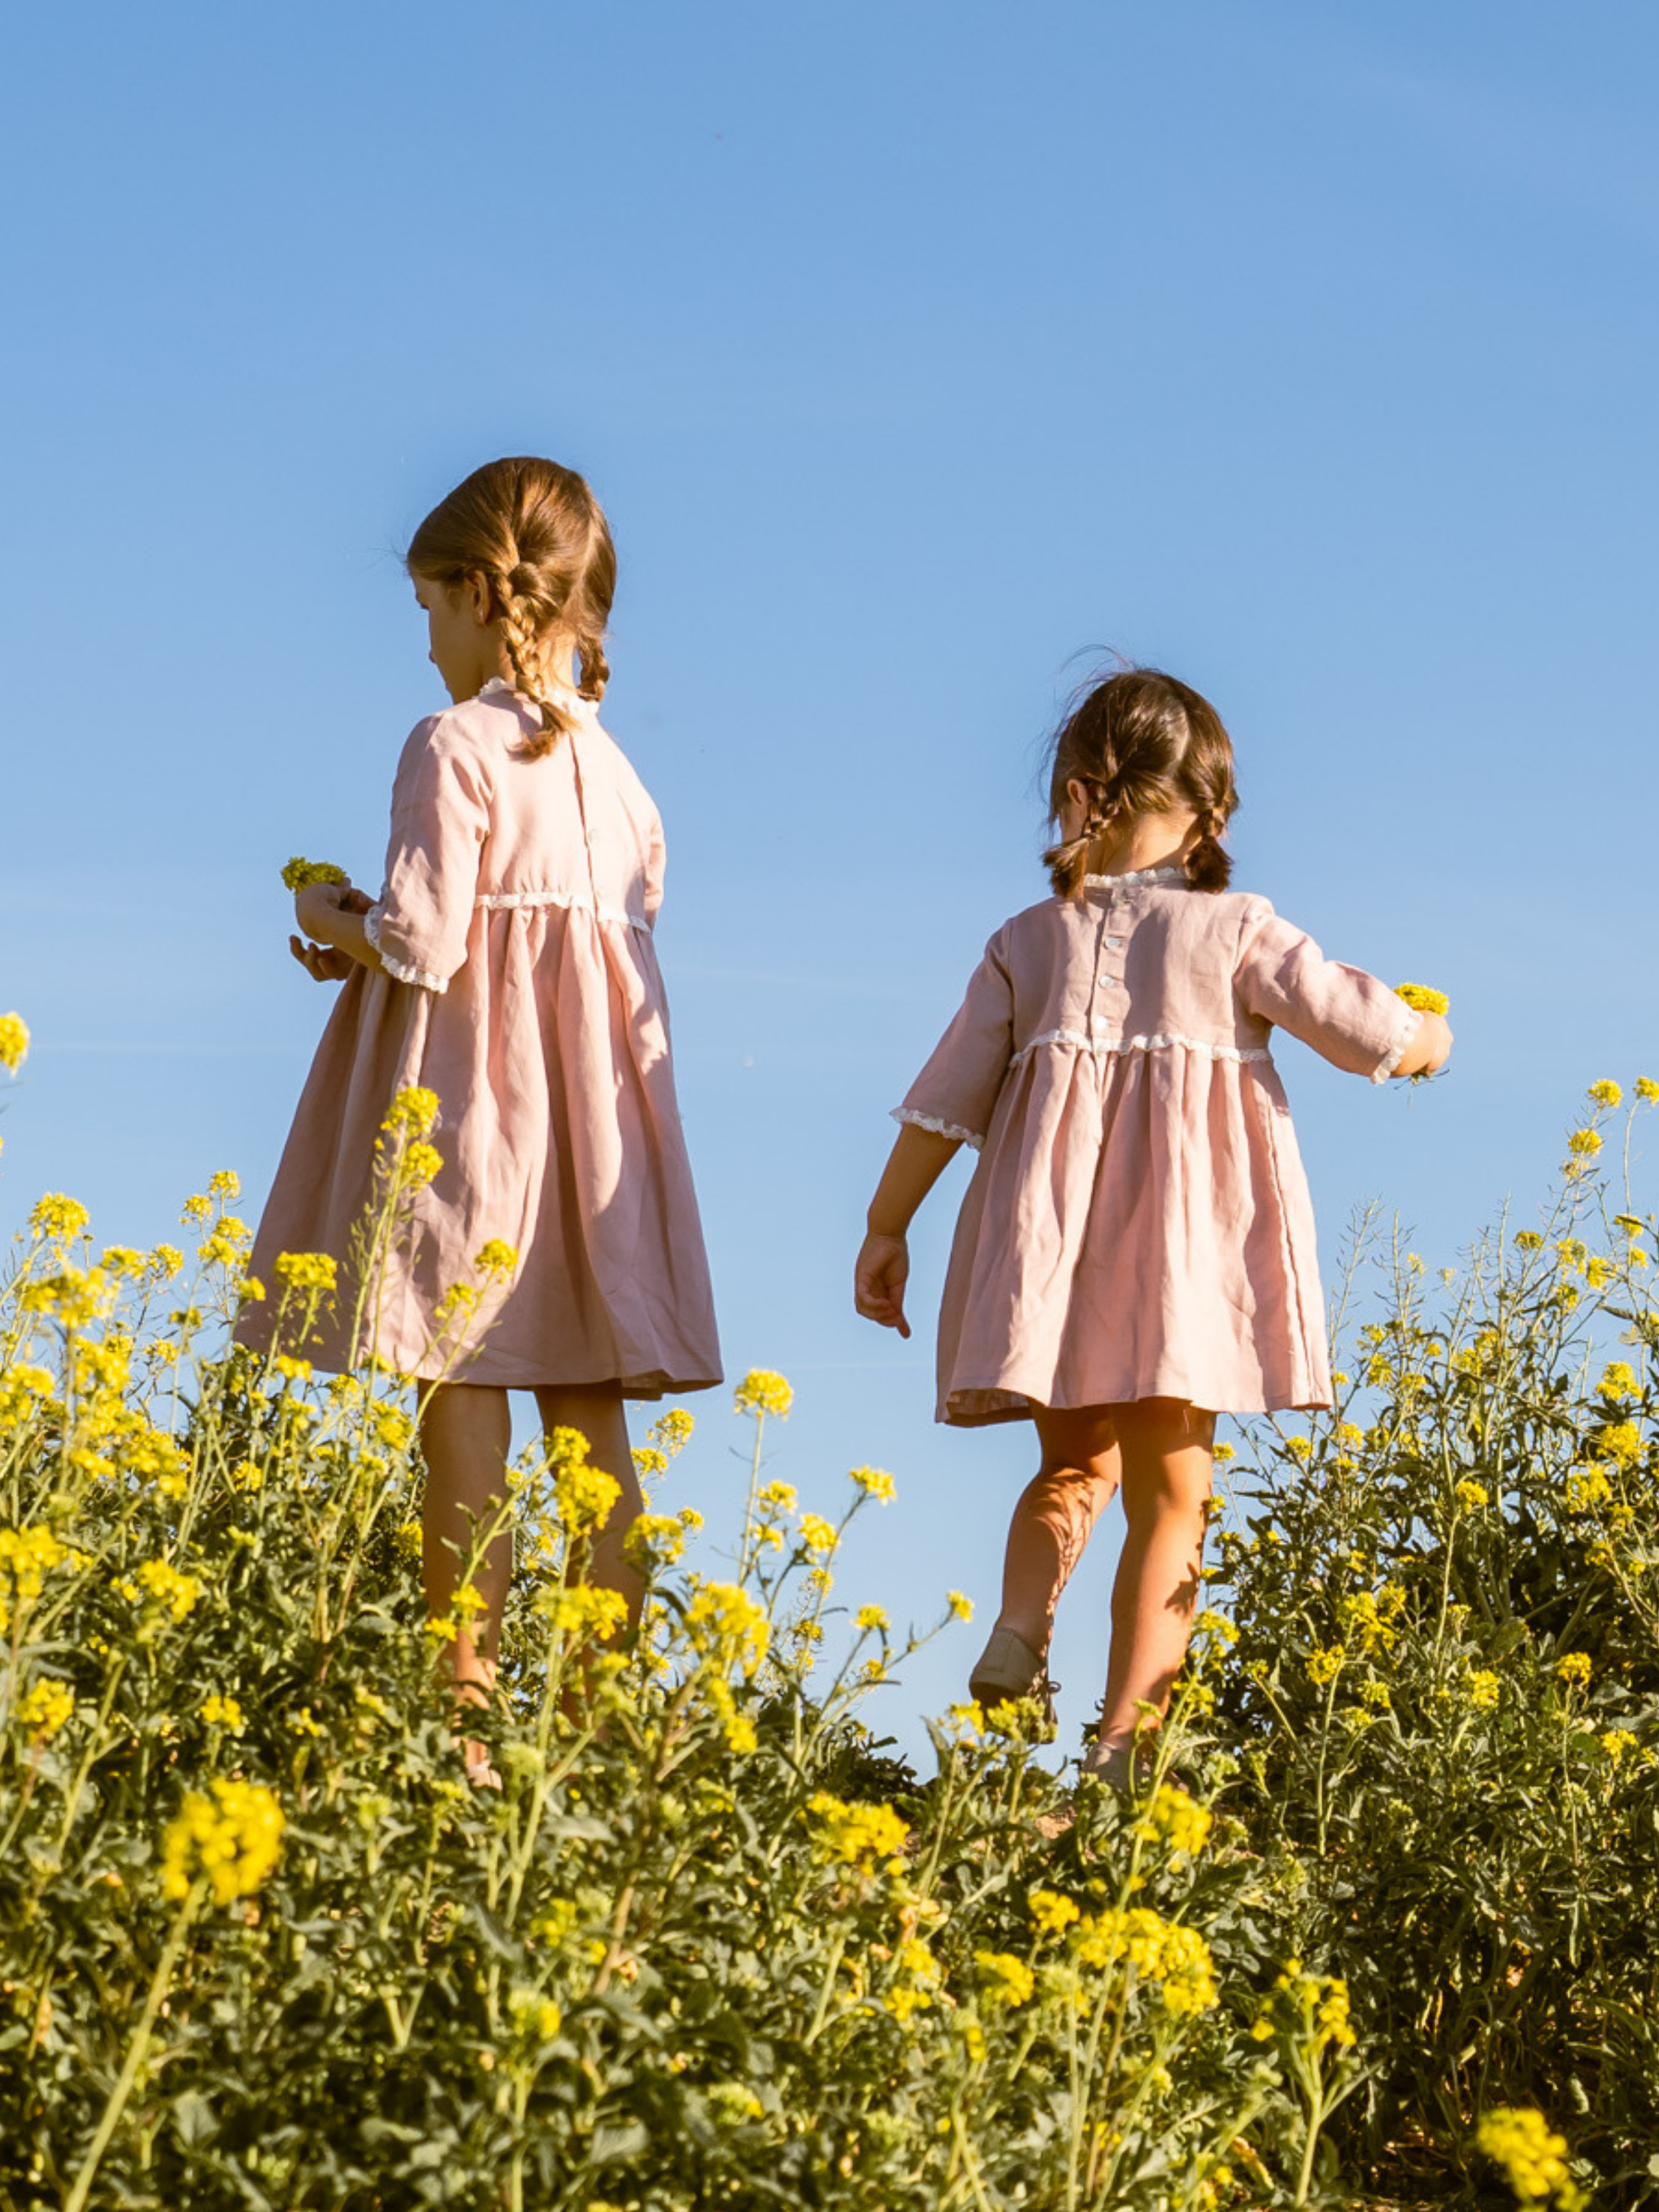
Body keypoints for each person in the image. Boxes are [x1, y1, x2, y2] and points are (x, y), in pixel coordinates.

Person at [853, 665, 1450, 1789]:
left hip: (1057, 1265)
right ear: (1211, 810)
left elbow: (943, 1098)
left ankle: (1018, 1632)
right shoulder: (1237, 929)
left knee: (1073, 1469)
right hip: (1179, 1272)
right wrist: (1428, 1038)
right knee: (1174, 1494)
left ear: (1078, 797)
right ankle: (1129, 1749)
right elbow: (1355, 1026)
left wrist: (887, 1227)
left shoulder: (1028, 940)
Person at [241, 456, 721, 1779]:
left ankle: (466, 1701)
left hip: (475, 1115)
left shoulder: (450, 745)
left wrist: (326, 917)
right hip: (599, 1129)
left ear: (473, 594)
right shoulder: (625, 782)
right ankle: (605, 1718)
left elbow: (426, 937)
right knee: (587, 1410)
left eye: (427, 608)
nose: (429, 638)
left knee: (459, 1381)